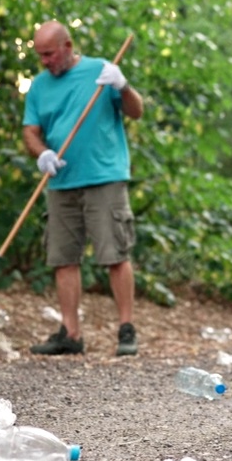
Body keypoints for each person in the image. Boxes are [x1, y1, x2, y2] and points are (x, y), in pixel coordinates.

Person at [22, 21, 145, 356]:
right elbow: (30, 131)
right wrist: (42, 153)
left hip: (104, 177)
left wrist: (123, 86)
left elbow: (136, 111)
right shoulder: (38, 86)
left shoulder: (101, 71)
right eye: (39, 55)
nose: (44, 61)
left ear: (67, 45)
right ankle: (71, 334)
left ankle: (126, 330)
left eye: (48, 53)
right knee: (63, 257)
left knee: (115, 254)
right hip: (61, 180)